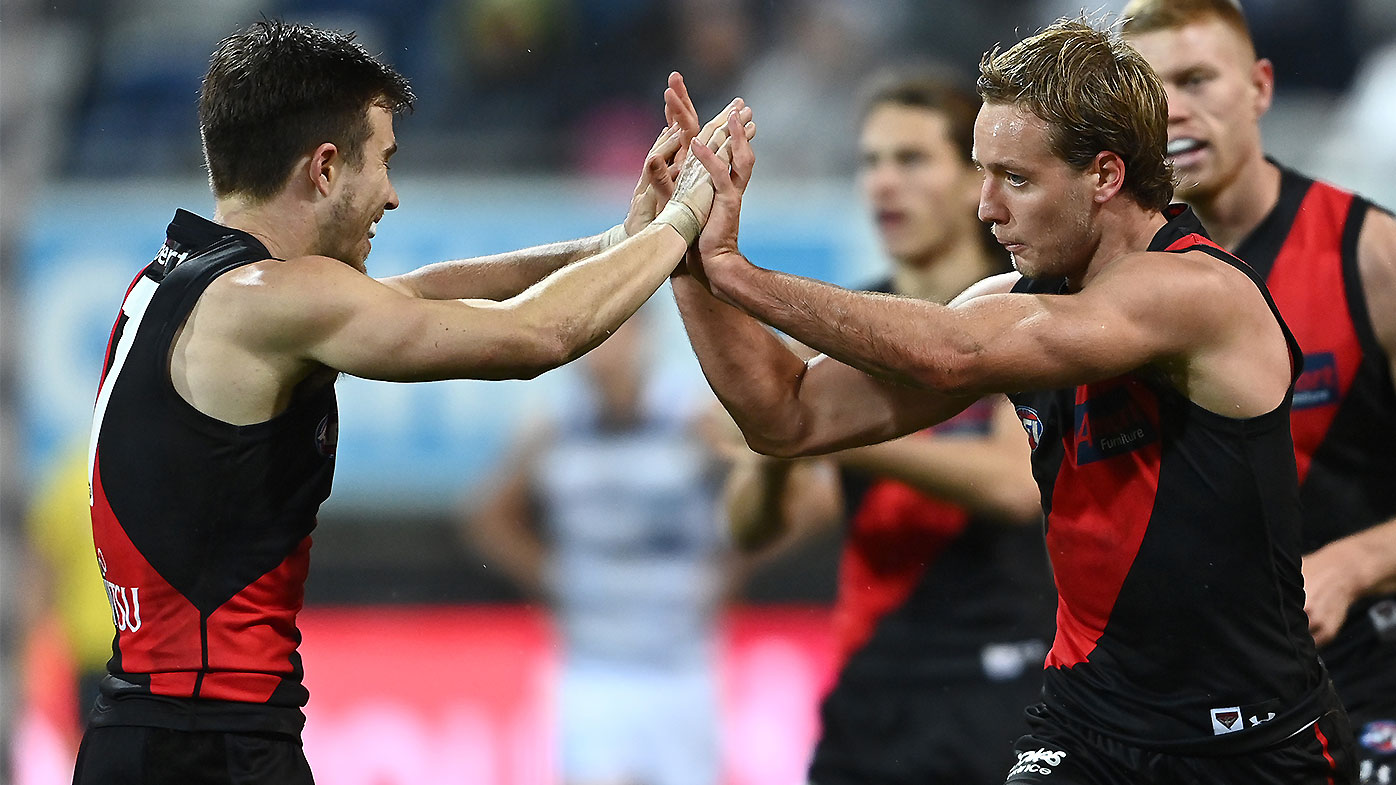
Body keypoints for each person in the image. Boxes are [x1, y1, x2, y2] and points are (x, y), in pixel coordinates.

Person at [667, 18, 1359, 785]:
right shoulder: (1014, 302)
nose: (984, 208)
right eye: (982, 173)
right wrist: (689, 260)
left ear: (1104, 174)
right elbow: (786, 414)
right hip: (1085, 726)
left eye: (1016, 179)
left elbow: (953, 349)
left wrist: (740, 272)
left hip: (1252, 747)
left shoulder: (1198, 292)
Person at [75, 19, 755, 785]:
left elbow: (422, 292)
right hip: (212, 746)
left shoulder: (185, 280)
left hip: (142, 731)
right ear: (325, 168)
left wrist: (617, 240)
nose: (392, 196)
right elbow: (540, 335)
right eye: (385, 162)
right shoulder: (270, 302)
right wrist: (684, 222)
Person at [721, 71, 1054, 785]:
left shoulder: (1023, 310)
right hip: (874, 682)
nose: (883, 183)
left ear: (976, 183)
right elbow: (750, 526)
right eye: (870, 162)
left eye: (911, 160)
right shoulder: (849, 322)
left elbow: (1013, 485)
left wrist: (831, 430)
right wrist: (777, 442)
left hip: (1004, 676)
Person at [1121, 3, 1396, 782]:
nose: (1172, 109)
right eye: (1148, 90)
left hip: (1361, 683)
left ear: (1260, 88)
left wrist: (1349, 563)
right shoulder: (1108, 282)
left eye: (1196, 79)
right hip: (1178, 705)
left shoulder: (1370, 257)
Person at [465, 310, 733, 785]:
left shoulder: (693, 423)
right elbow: (487, 517)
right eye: (595, 338)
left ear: (646, 336)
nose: (606, 351)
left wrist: (731, 570)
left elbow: (790, 503)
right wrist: (555, 579)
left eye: (617, 334)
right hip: (593, 671)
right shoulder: (554, 427)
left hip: (682, 667)